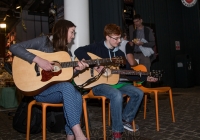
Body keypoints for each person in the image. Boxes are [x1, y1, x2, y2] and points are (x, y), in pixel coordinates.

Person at [10, 20, 88, 140]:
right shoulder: (43, 41)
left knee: (77, 95)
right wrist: (39, 60)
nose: (73, 36)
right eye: (72, 32)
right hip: (40, 91)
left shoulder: (66, 52)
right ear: (63, 30)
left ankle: (70, 136)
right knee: (68, 88)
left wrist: (77, 69)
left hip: (56, 91)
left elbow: (66, 77)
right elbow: (14, 47)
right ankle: (78, 134)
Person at [74, 23, 143, 140]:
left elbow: (129, 72)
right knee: (116, 95)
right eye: (115, 38)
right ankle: (117, 133)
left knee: (138, 93)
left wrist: (145, 77)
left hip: (115, 83)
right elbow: (78, 51)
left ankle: (125, 120)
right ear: (107, 37)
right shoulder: (97, 48)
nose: (119, 41)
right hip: (97, 84)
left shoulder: (120, 55)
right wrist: (96, 65)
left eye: (119, 38)